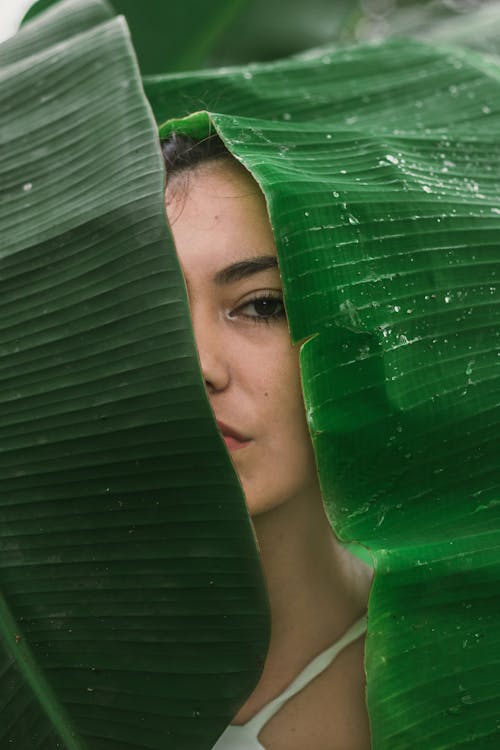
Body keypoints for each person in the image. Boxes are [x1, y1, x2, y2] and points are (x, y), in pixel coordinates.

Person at [161, 132, 373, 750]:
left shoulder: (451, 666)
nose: (199, 363)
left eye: (260, 307)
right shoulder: (40, 659)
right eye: (154, 310)